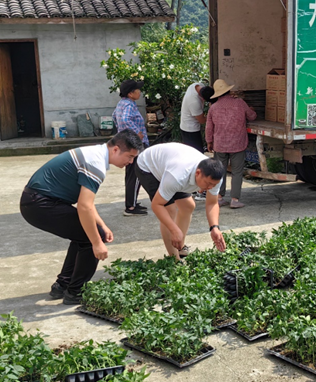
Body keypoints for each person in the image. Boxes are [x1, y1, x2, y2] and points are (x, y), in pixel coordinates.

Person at [20, 130, 143, 305]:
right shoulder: (95, 163)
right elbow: (84, 207)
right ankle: (75, 292)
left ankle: (62, 285)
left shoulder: (95, 153)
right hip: (40, 204)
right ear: (116, 149)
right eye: (130, 157)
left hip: (35, 201)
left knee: (84, 234)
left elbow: (85, 203)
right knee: (91, 237)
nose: (130, 162)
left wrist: (103, 225)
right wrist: (97, 243)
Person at [134, 142, 227, 259]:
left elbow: (212, 203)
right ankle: (174, 259)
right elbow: (157, 205)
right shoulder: (177, 177)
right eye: (208, 183)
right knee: (170, 210)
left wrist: (214, 228)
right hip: (149, 166)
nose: (210, 187)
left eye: (213, 185)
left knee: (188, 206)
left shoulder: (215, 178)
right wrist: (174, 229)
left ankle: (179, 246)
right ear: (198, 173)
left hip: (171, 164)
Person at [206, 79, 257, 209]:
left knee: (220, 171)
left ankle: (219, 198)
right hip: (238, 143)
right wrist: (252, 110)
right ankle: (235, 200)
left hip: (220, 145)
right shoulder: (240, 103)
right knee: (237, 172)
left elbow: (209, 128)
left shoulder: (213, 108)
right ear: (229, 91)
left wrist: (209, 141)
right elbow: (252, 116)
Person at [112, 79, 150, 216]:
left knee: (131, 173)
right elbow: (125, 119)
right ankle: (131, 207)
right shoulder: (129, 105)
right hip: (134, 144)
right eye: (137, 90)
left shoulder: (122, 103)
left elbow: (115, 117)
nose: (140, 92)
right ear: (130, 93)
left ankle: (132, 202)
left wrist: (122, 132)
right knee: (136, 173)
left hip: (127, 142)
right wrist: (136, 133)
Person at [180, 82, 214, 152]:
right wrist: (212, 113)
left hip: (188, 125)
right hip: (190, 129)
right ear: (202, 98)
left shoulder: (197, 85)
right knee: (196, 152)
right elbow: (202, 120)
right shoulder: (194, 102)